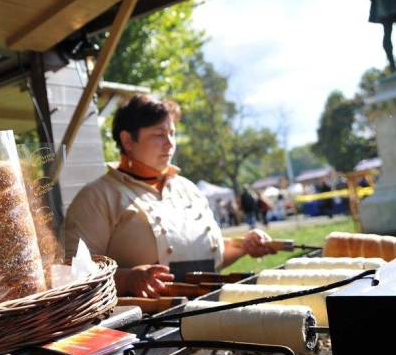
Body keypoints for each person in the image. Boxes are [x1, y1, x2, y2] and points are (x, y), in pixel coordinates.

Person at [65, 95, 276, 298]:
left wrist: (245, 245)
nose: (170, 143)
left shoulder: (188, 188)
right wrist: (127, 279)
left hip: (212, 307)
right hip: (149, 320)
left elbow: (210, 256)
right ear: (127, 140)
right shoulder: (97, 196)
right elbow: (75, 272)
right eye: (159, 134)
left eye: (172, 134)